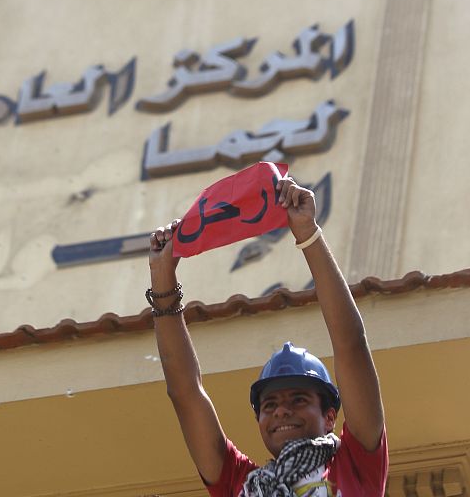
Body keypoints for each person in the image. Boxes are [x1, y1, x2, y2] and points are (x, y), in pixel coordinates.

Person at [147, 174, 388, 497]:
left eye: (298, 399)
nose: (281, 411)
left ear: (330, 416)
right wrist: (162, 279)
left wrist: (308, 233)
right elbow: (185, 393)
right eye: (269, 404)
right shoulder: (239, 484)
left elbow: (351, 344)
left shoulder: (356, 463)